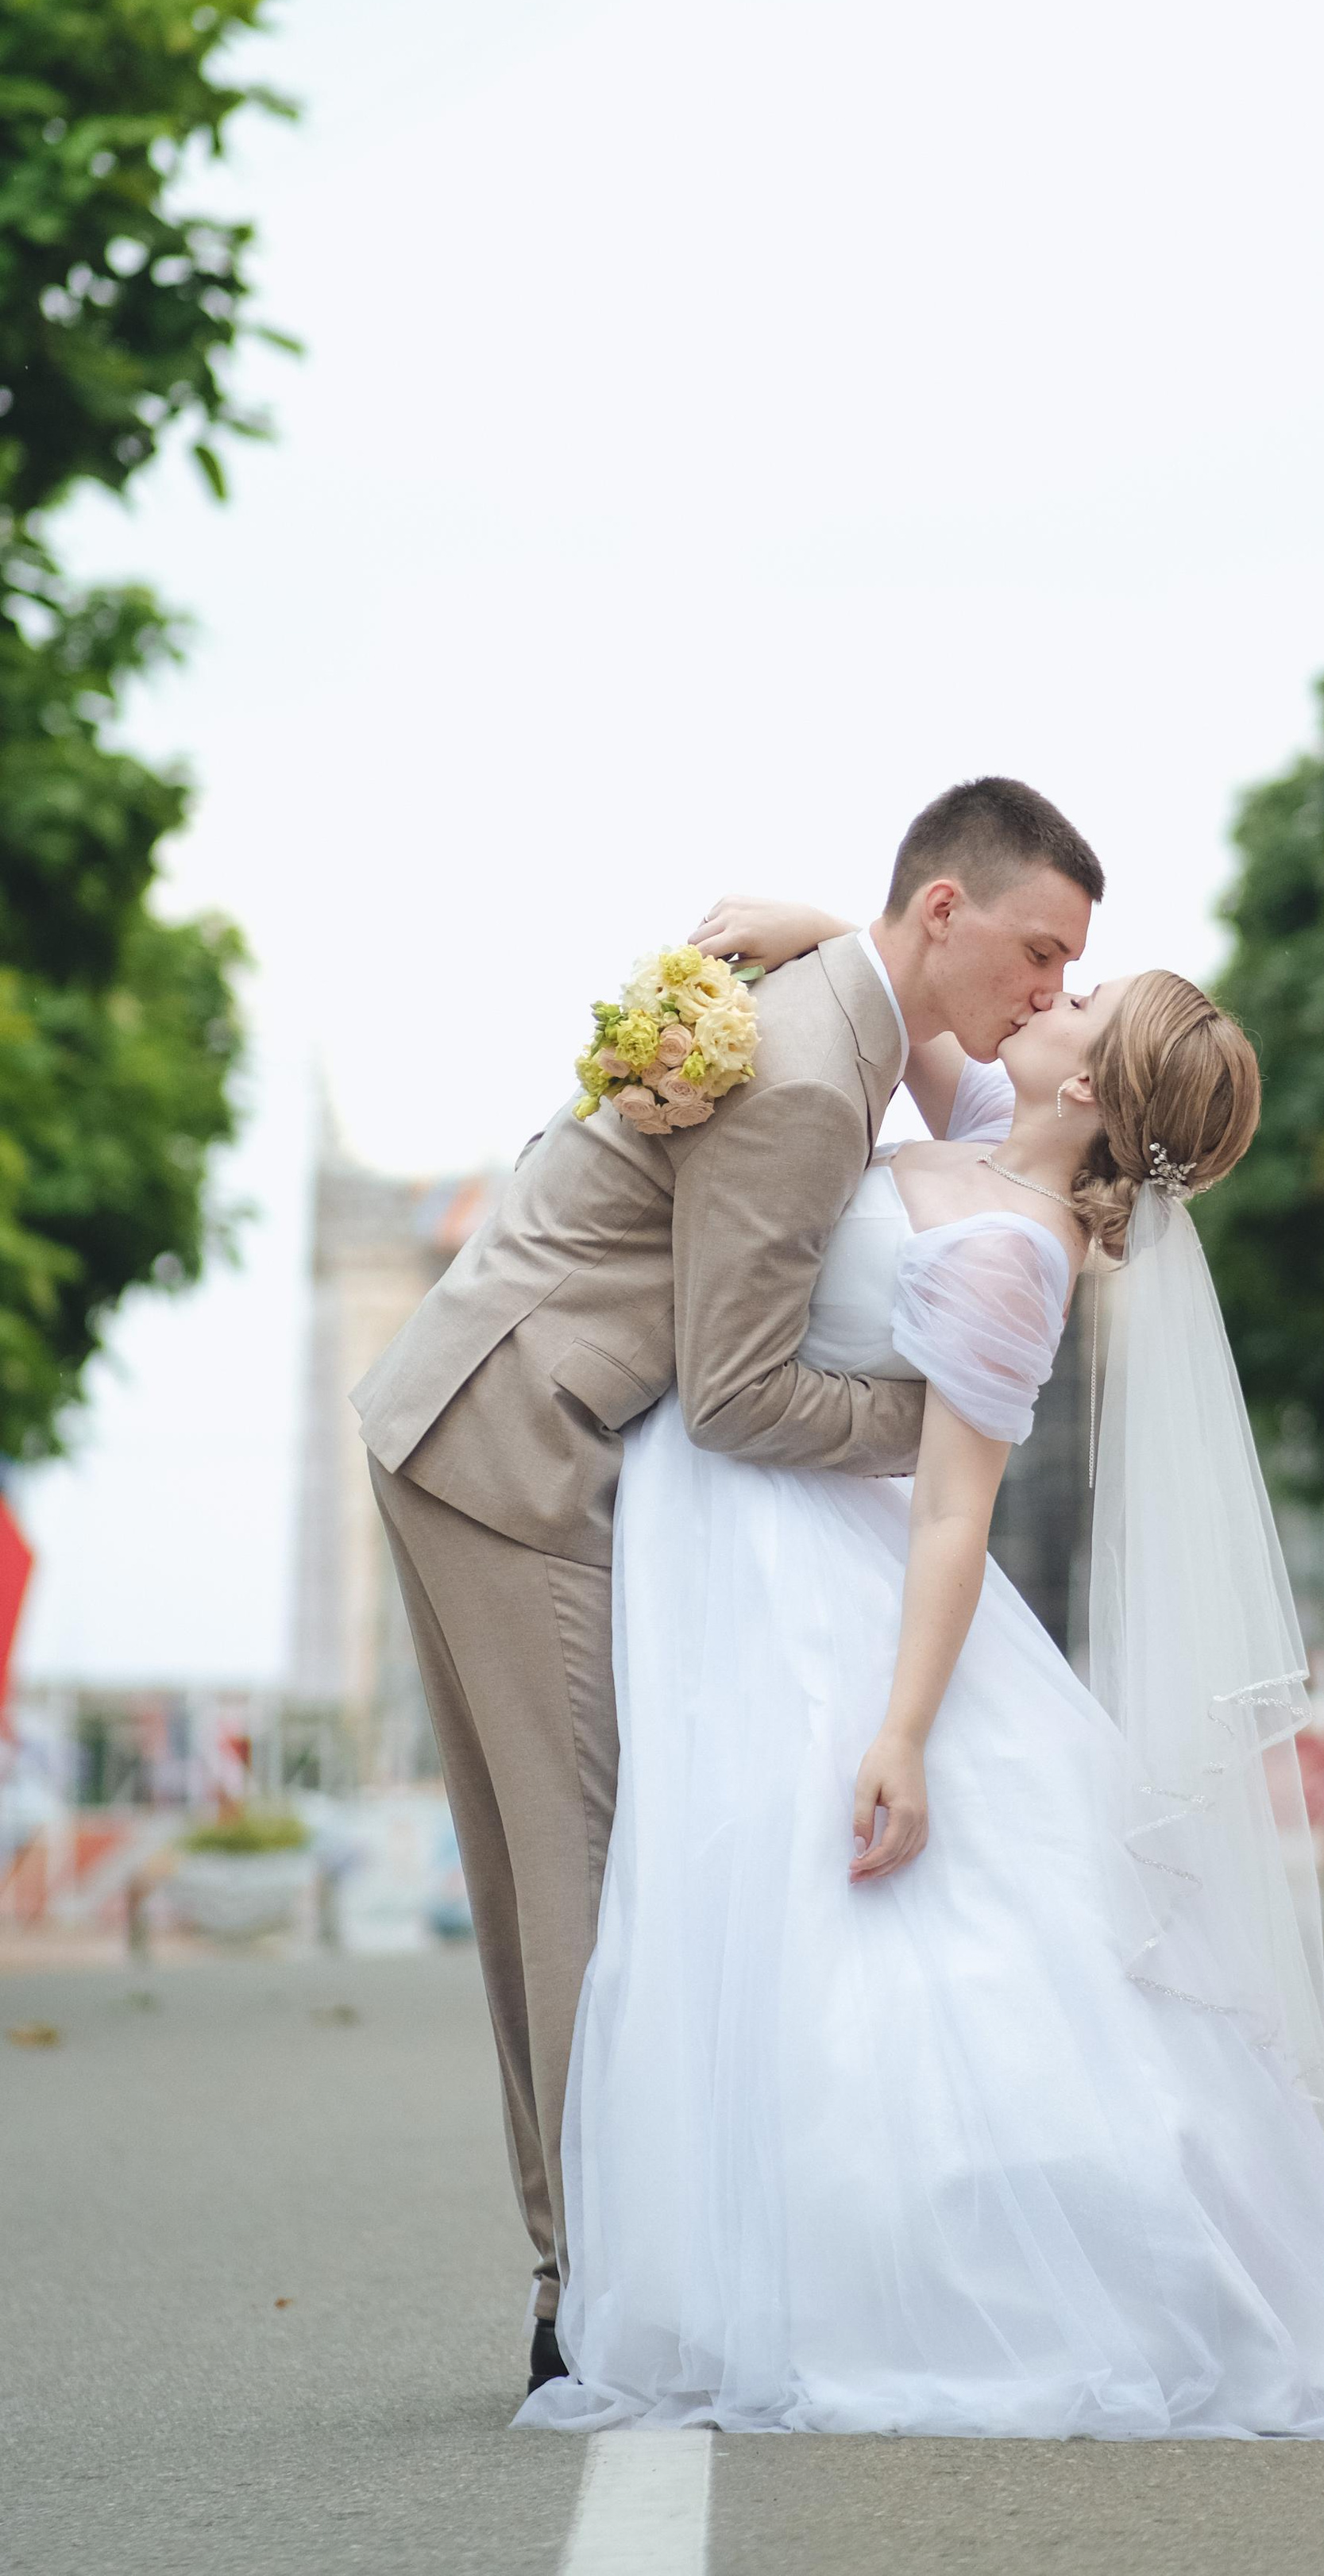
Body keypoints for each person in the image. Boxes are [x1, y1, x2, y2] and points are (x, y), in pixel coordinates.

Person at [515, 906, 1324, 2442]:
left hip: (826, 1568)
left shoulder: (1021, 1248)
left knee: (829, 1926)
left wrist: (902, 1732)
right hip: (742, 1525)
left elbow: (956, 1513)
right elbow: (931, 1005)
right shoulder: (1002, 1125)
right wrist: (826, 927)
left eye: (1084, 998)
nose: (1052, 996)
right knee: (764, 1915)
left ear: (1093, 1088)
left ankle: (889, 2279)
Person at [351, 781, 1102, 2393]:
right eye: (1038, 953)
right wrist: (956, 1410)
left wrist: (840, 923)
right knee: (579, 1880)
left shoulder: (848, 1011)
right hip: (511, 1443)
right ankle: (587, 2295)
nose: (1049, 991)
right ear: (947, 915)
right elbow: (745, 1392)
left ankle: (586, 2269)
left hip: (467, 1413)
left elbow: (934, 1047)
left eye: (1072, 974)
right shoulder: (813, 1077)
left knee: (554, 1880)